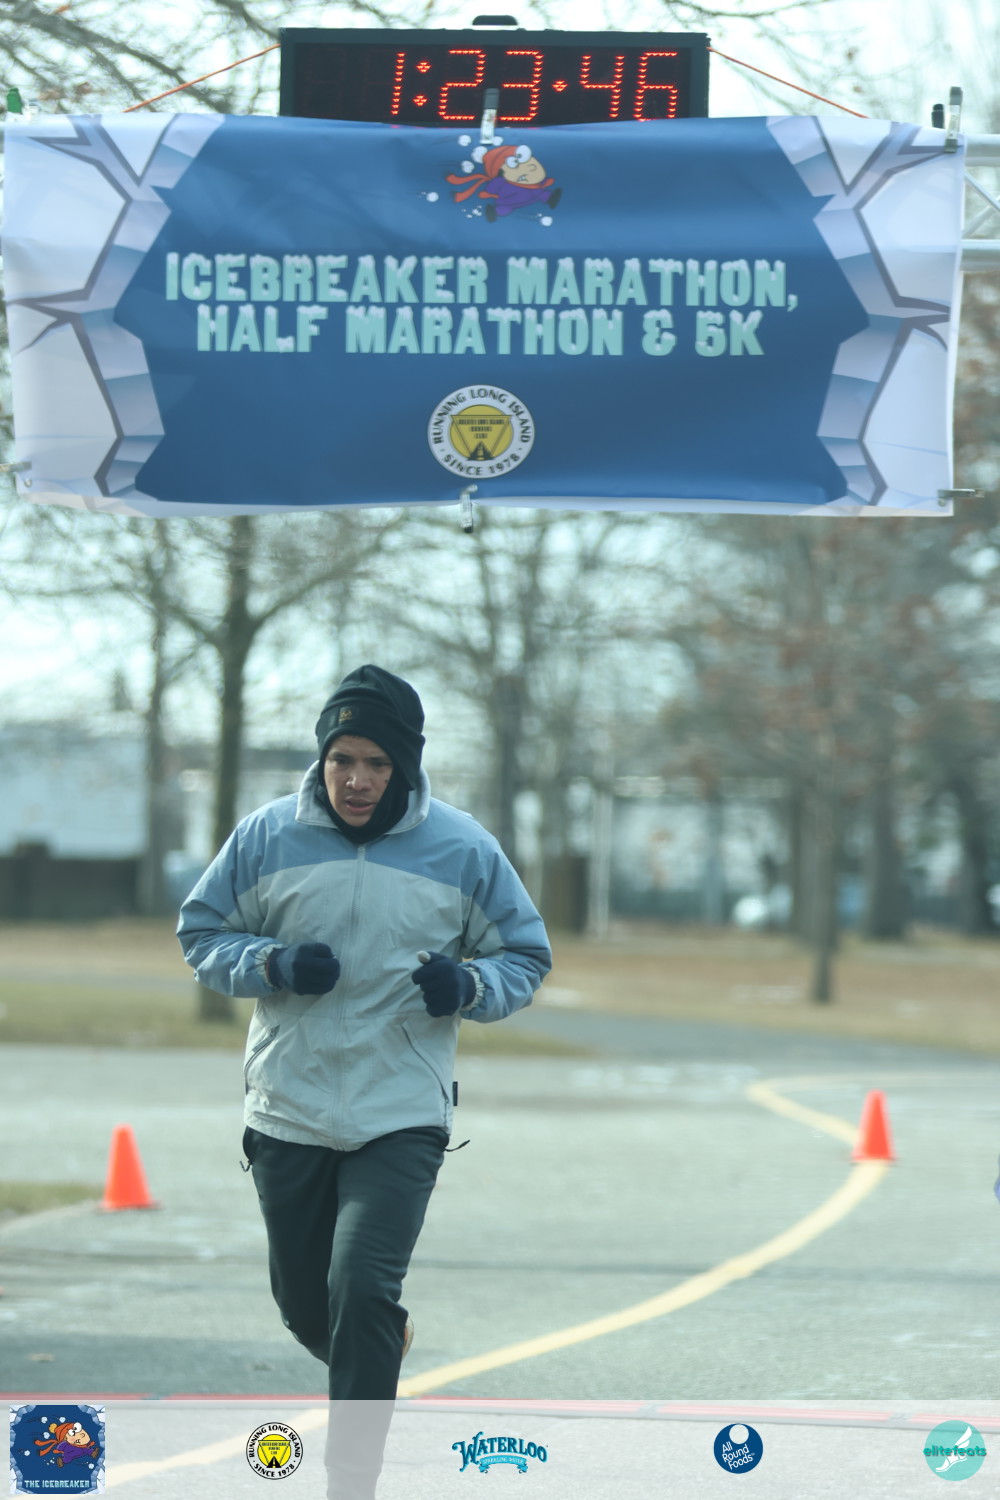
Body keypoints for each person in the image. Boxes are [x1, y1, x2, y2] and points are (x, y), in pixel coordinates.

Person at [177, 664, 551, 1491]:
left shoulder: (463, 847)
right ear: (322, 759)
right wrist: (270, 964)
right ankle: (378, 1343)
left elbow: (525, 955)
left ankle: (352, 1482)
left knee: (362, 1287)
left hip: (400, 1111)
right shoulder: (266, 837)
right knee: (307, 1309)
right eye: (342, 759)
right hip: (289, 1108)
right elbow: (201, 934)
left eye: (377, 763)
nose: (356, 779)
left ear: (405, 766)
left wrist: (469, 986)